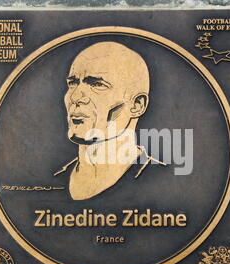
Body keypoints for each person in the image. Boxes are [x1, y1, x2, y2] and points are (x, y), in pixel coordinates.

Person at [54, 41, 165, 200]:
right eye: (72, 83)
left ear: (136, 105)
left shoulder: (163, 182)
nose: (75, 97)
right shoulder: (53, 181)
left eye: (97, 84)